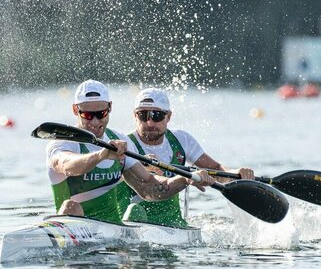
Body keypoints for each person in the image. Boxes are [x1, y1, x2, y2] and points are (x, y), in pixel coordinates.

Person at [46, 80, 214, 224]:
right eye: (87, 115)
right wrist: (101, 155)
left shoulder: (120, 141)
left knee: (135, 211)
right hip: (75, 230)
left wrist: (185, 179)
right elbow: (66, 165)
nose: (95, 121)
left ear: (110, 108)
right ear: (76, 110)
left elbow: (149, 187)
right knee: (71, 206)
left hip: (114, 236)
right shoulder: (63, 142)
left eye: (101, 114)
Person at [123, 88, 255, 228]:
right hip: (133, 221)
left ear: (168, 116)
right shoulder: (126, 145)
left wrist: (234, 174)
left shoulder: (182, 140)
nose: (149, 123)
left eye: (157, 115)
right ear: (134, 116)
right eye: (143, 115)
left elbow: (215, 169)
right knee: (135, 211)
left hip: (174, 225)